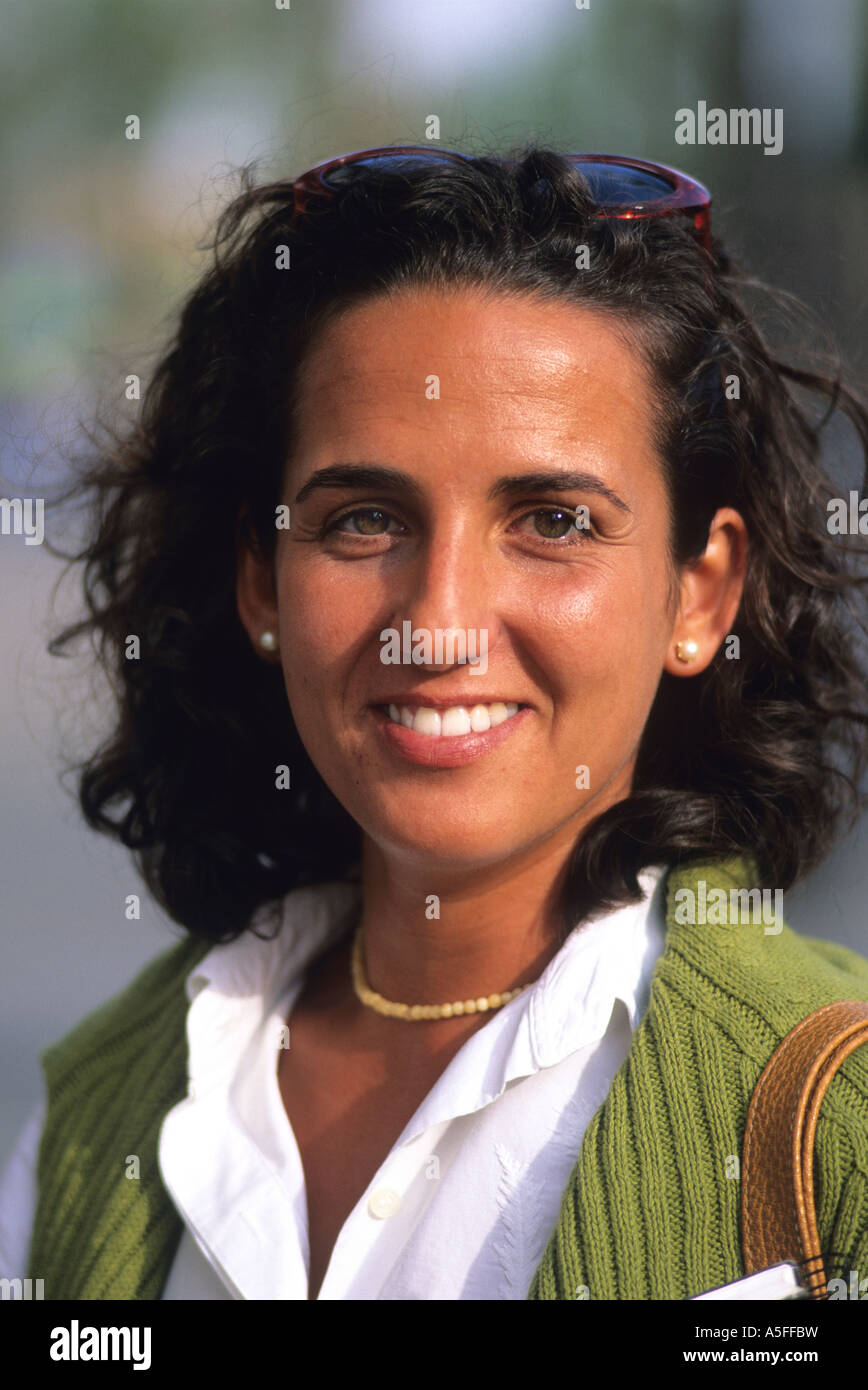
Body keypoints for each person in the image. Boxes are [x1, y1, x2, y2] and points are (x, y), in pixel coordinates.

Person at [1, 145, 867, 1301]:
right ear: (263, 582)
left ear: (698, 593)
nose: (438, 623)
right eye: (363, 519)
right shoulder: (93, 1114)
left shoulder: (829, 1128)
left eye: (553, 519)